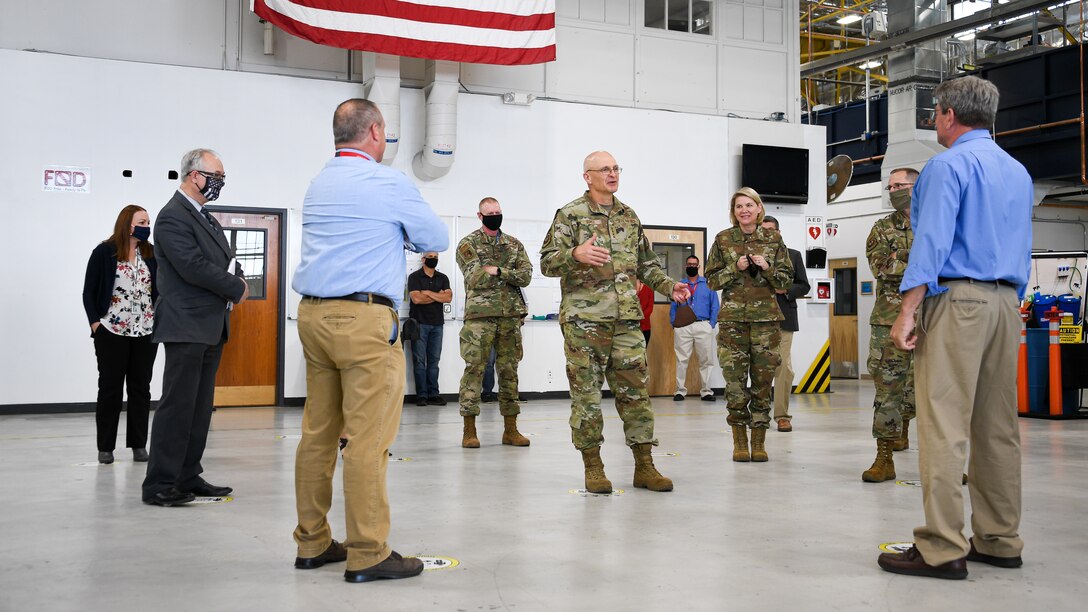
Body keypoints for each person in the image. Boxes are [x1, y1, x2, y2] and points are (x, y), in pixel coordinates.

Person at [877, 76, 1032, 579]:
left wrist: (907, 311)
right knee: (997, 427)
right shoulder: (1017, 171)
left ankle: (943, 547)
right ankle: (1000, 538)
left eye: (937, 113)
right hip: (1007, 302)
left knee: (944, 425)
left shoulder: (946, 167)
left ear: (947, 114)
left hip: (958, 299)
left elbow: (932, 244)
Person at [291, 98, 448, 583]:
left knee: (318, 435)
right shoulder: (387, 182)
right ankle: (368, 551)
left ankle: (313, 544)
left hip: (313, 318)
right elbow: (434, 237)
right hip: (362, 322)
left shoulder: (320, 182)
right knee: (367, 440)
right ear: (376, 131)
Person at [540, 150, 689, 494]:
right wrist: (575, 255)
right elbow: (548, 262)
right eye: (604, 169)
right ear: (587, 176)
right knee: (587, 398)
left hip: (626, 322)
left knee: (636, 395)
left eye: (616, 168)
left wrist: (670, 286)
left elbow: (647, 265)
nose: (612, 174)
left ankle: (644, 466)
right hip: (584, 322)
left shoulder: (629, 216)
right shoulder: (570, 215)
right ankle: (593, 467)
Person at [141, 149, 249, 507]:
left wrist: (240, 279)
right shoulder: (172, 216)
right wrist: (236, 288)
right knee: (177, 406)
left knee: (199, 407)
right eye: (216, 174)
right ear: (193, 175)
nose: (220, 182)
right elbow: (192, 265)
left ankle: (187, 475)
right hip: (185, 324)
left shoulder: (206, 217)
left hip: (210, 325)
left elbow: (227, 261)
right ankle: (159, 483)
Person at [705, 188, 793, 463]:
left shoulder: (773, 239)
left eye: (748, 205)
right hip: (733, 323)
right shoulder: (723, 239)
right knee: (734, 384)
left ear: (758, 208)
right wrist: (734, 268)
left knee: (763, 383)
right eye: (738, 206)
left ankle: (759, 440)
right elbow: (711, 281)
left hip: (766, 322)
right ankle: (740, 441)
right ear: (734, 212)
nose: (743, 210)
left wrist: (766, 267)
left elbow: (785, 281)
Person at [82, 205, 158, 465]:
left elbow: (157, 292)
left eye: (148, 221)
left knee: (140, 390)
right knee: (110, 389)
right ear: (127, 223)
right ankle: (105, 448)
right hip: (112, 331)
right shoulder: (104, 252)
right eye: (142, 221)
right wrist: (96, 324)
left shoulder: (150, 254)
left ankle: (138, 445)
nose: (147, 225)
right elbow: (89, 292)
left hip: (145, 332)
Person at [455, 197, 533, 448]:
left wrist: (498, 271)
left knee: (509, 372)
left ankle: (511, 430)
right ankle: (469, 431)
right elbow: (475, 277)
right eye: (490, 213)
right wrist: (505, 275)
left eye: (498, 212)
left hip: (510, 317)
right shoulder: (468, 244)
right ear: (480, 216)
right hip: (479, 318)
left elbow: (526, 276)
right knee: (474, 371)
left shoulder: (514, 244)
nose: (495, 216)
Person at [861, 168, 918, 482]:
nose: (893, 189)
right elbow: (883, 268)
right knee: (888, 389)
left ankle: (947, 463)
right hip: (890, 318)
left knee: (941, 391)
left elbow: (950, 263)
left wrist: (904, 257)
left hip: (935, 316)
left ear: (916, 186)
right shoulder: (882, 227)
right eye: (890, 185)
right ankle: (884, 459)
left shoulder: (939, 221)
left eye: (900, 185)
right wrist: (923, 259)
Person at [760, 216, 810, 432]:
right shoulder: (751, 256)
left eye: (771, 230)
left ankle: (781, 415)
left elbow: (804, 285)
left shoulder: (794, 256)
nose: (768, 234)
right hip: (758, 319)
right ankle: (758, 415)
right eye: (764, 230)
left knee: (782, 367)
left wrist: (786, 290)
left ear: (779, 232)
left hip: (784, 319)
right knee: (759, 367)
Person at [670, 255, 719, 402]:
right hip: (683, 326)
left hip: (703, 325)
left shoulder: (708, 284)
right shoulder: (679, 285)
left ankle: (706, 391)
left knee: (706, 360)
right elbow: (673, 306)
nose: (691, 266)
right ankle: (679, 391)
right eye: (689, 264)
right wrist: (674, 324)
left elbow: (715, 306)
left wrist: (711, 324)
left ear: (698, 267)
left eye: (694, 264)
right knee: (681, 359)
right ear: (686, 266)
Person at [407, 251, 452, 406]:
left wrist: (427, 293)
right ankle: (422, 396)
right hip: (418, 324)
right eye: (430, 257)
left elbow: (448, 298)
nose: (433, 259)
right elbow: (417, 299)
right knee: (419, 361)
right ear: (423, 259)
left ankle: (433, 394)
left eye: (435, 258)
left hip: (437, 324)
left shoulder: (443, 278)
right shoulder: (414, 277)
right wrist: (437, 295)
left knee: (434, 361)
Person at [636, 279, 654, 344]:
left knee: (643, 351)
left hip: (644, 326)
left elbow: (650, 308)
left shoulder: (649, 288)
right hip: (628, 327)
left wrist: (639, 317)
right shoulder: (627, 289)